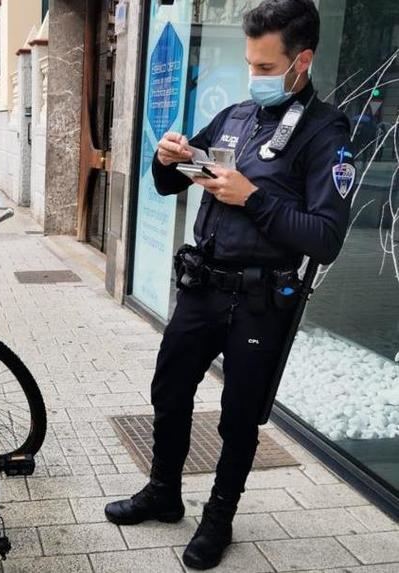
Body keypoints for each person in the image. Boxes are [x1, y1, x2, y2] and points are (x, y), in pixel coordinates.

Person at [105, 0, 356, 569]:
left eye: (266, 68)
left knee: (238, 417)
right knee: (169, 393)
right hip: (203, 286)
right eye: (251, 64)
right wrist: (168, 157)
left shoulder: (325, 131)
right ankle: (165, 492)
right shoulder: (239, 116)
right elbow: (173, 182)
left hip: (260, 300)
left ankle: (219, 519)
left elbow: (327, 238)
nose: (255, 77)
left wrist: (255, 198)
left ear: (302, 62)